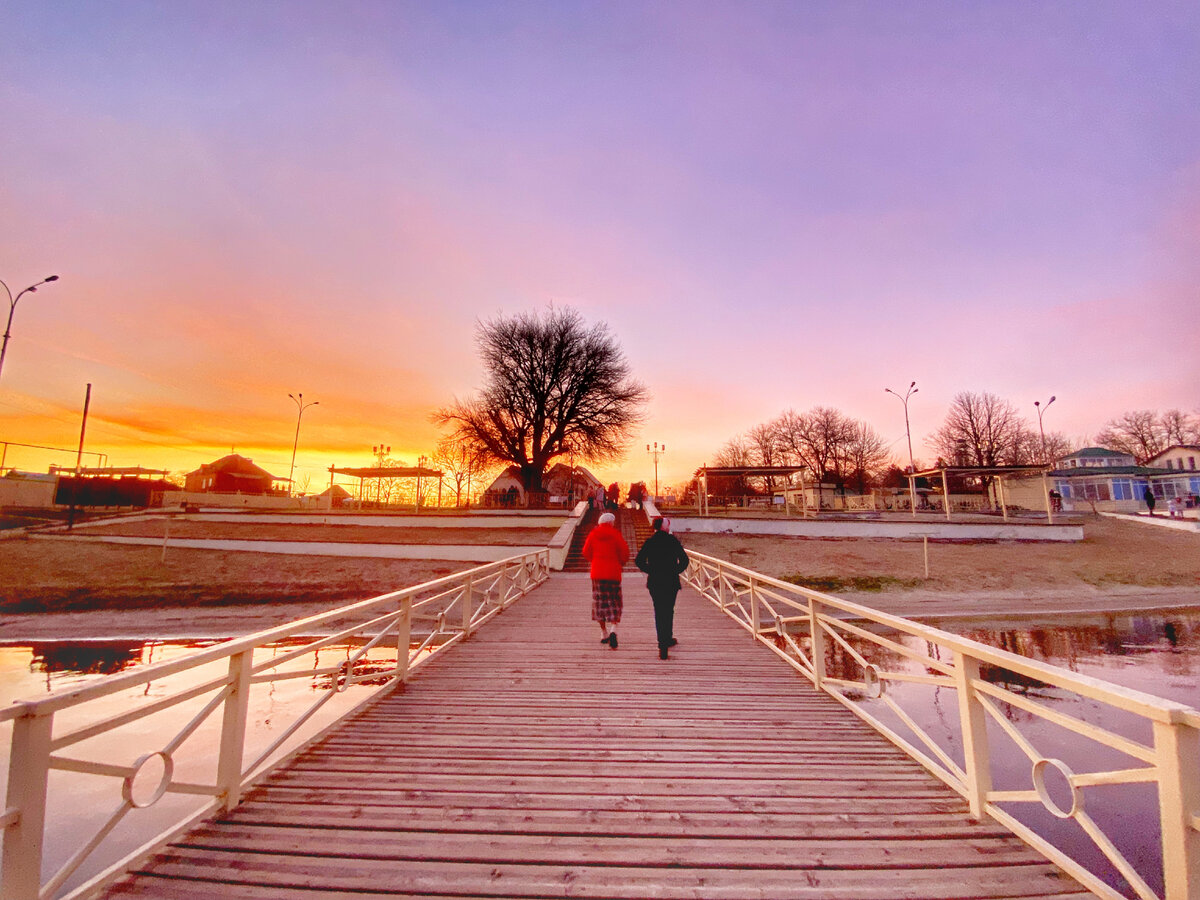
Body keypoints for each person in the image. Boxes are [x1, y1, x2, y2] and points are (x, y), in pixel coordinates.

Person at [635, 517, 690, 660]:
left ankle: (662, 644)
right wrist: (675, 570)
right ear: (664, 527)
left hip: (655, 581)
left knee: (659, 611)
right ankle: (668, 638)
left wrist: (651, 570)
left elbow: (639, 561)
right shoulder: (672, 541)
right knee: (669, 609)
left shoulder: (650, 542)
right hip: (671, 581)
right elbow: (685, 560)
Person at [582, 511, 628, 649]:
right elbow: (624, 553)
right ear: (610, 523)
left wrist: (595, 561)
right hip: (613, 573)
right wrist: (619, 563)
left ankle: (603, 633)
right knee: (614, 602)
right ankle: (613, 629)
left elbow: (585, 552)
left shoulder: (593, 535)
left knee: (599, 604)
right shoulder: (616, 535)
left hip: (597, 573)